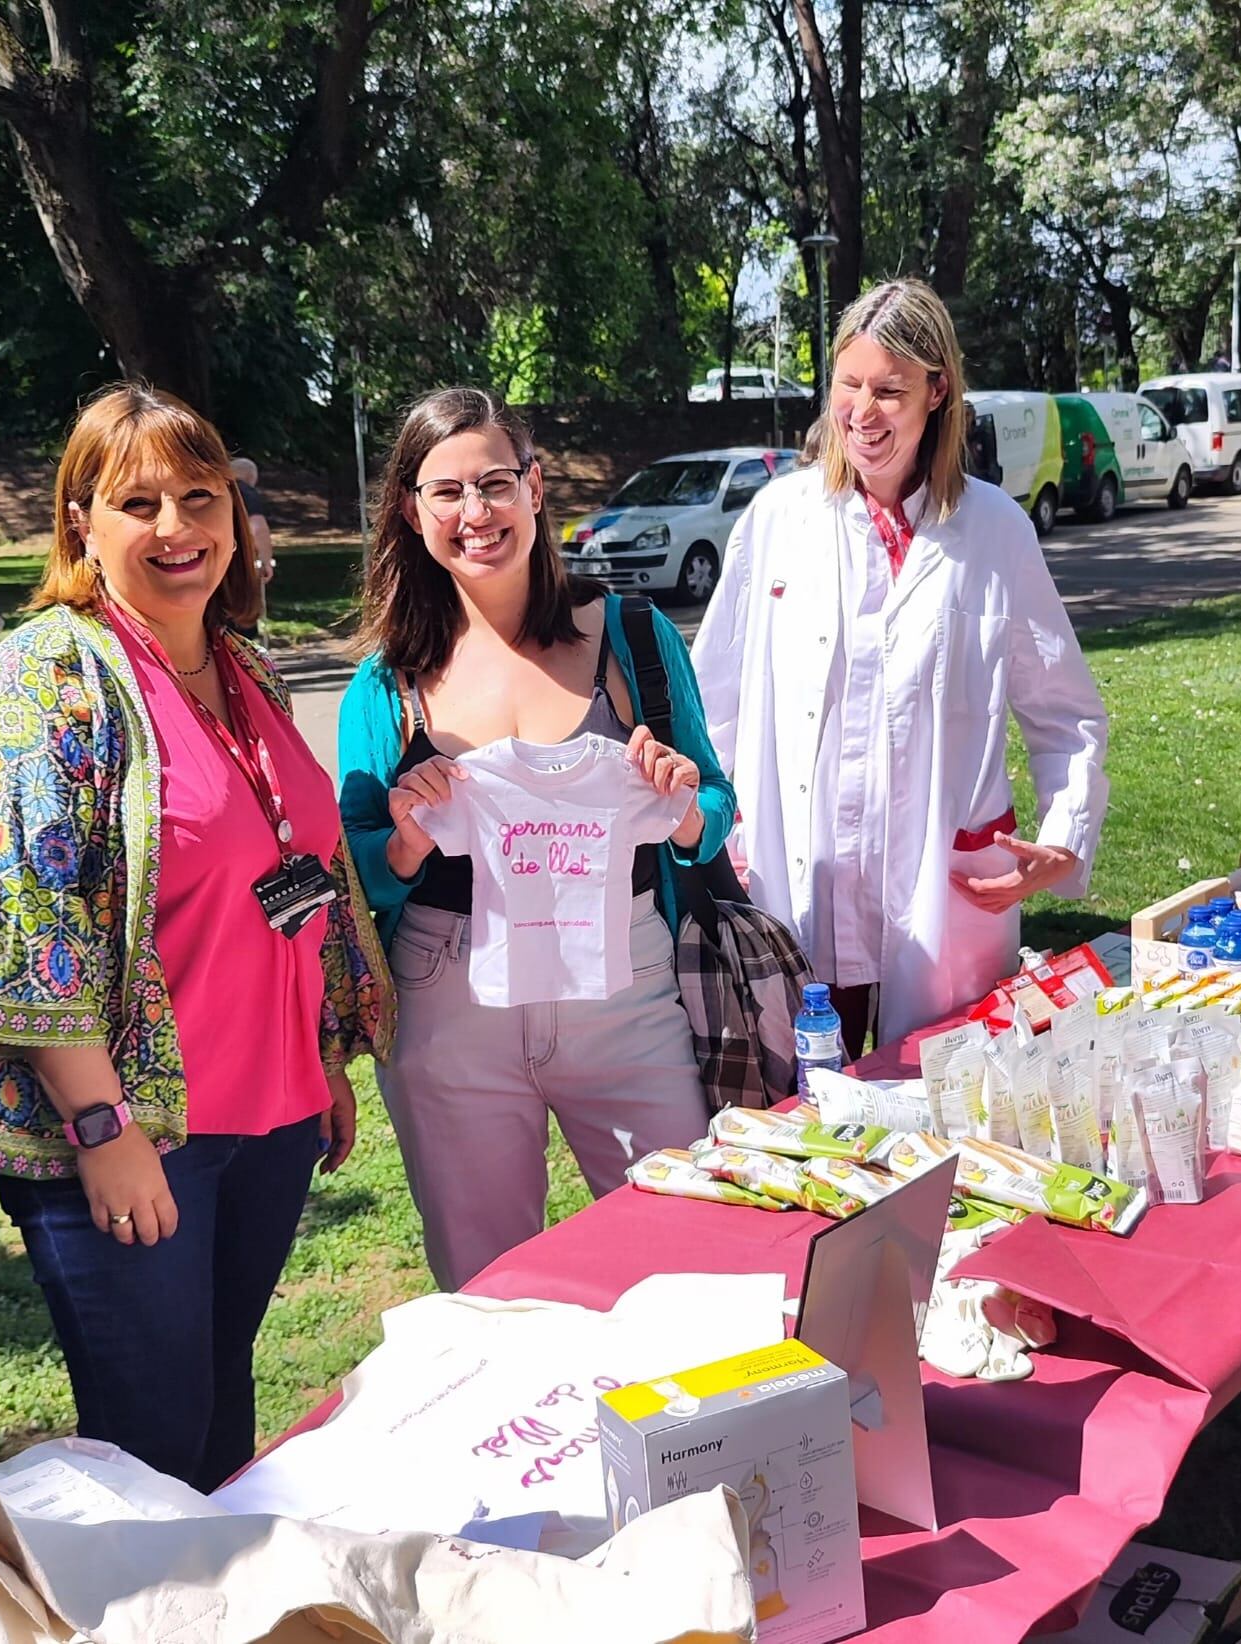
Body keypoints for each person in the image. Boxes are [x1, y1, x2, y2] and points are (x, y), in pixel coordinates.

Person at [0, 383, 392, 1493]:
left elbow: (298, 868)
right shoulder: (45, 678)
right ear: (79, 523)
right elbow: (22, 927)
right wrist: (102, 1129)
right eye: (138, 503)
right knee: (150, 1455)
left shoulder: (245, 666)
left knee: (220, 1431)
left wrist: (322, 1055)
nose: (177, 528)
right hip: (133, 1131)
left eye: (201, 497)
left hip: (271, 1116)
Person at [337, 387, 736, 1292]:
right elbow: (357, 861)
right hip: (450, 997)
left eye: (494, 484)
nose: (474, 514)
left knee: (683, 1254)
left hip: (623, 983)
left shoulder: (631, 637)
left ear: (535, 487)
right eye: (446, 492)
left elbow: (716, 801)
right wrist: (402, 842)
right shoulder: (387, 680)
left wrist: (681, 809)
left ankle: (696, 1436)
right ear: (412, 509)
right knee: (489, 1286)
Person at [693, 279, 1110, 1053]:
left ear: (937, 390)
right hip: (800, 882)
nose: (862, 412)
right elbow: (709, 700)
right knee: (810, 1119)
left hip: (944, 889)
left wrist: (1066, 834)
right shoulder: (779, 520)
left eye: (889, 390)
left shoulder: (994, 530)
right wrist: (726, 833)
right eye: (848, 385)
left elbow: (1065, 712)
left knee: (942, 1104)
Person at [230, 457, 274, 640]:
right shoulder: (245, 492)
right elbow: (257, 528)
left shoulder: (215, 491)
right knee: (243, 616)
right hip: (240, 564)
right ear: (251, 477)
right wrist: (265, 560)